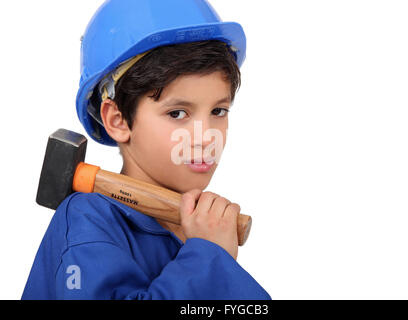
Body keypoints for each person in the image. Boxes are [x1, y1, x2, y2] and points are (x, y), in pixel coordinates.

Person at [22, 0, 271, 299]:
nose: (205, 138)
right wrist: (208, 257)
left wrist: (209, 253)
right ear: (117, 120)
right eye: (177, 114)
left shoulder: (198, 232)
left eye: (218, 111)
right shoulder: (88, 220)